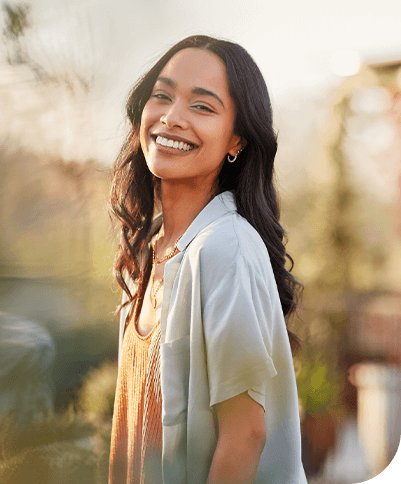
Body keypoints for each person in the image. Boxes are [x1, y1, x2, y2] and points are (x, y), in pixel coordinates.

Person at [108, 35, 307, 484]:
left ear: (236, 139)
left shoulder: (225, 247)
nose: (172, 118)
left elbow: (244, 436)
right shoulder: (148, 246)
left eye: (202, 106)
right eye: (162, 96)